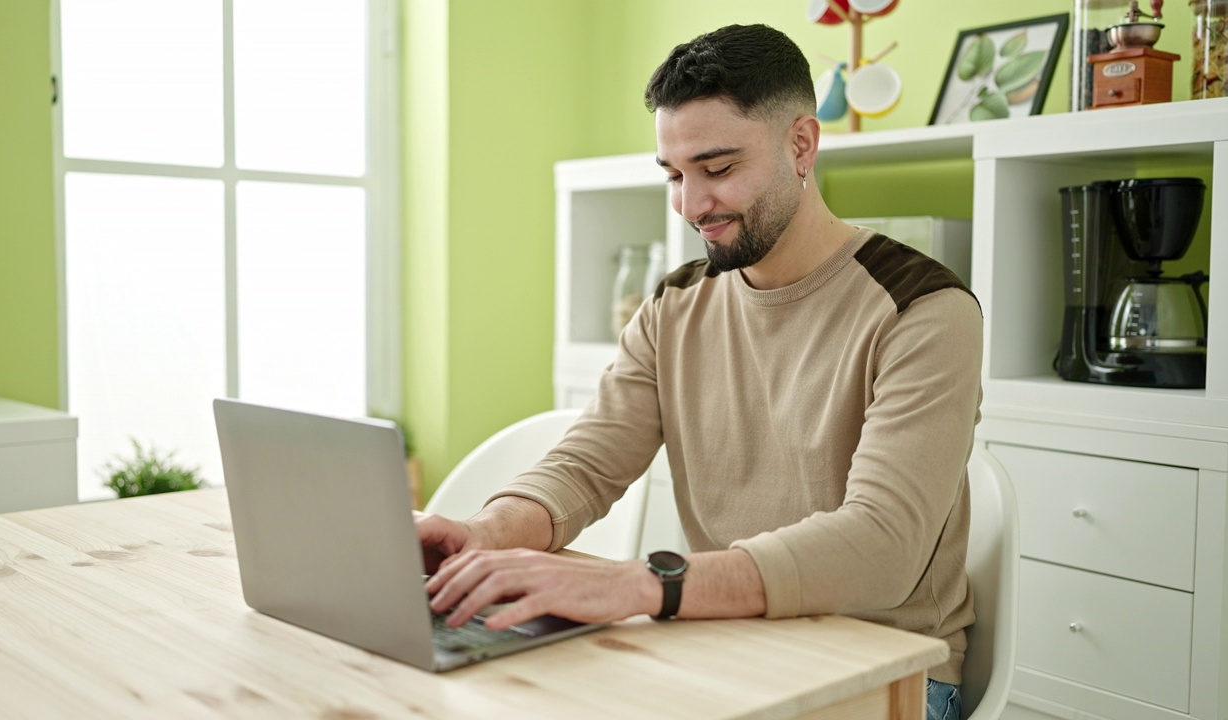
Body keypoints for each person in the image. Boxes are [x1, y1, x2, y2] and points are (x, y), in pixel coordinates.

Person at [416, 23, 981, 720]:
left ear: (801, 145)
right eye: (675, 175)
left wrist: (647, 585)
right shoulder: (675, 304)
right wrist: (485, 533)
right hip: (721, 646)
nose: (690, 204)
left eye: (718, 169)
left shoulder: (923, 310)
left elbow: (882, 544)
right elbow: (587, 465)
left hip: (886, 673)